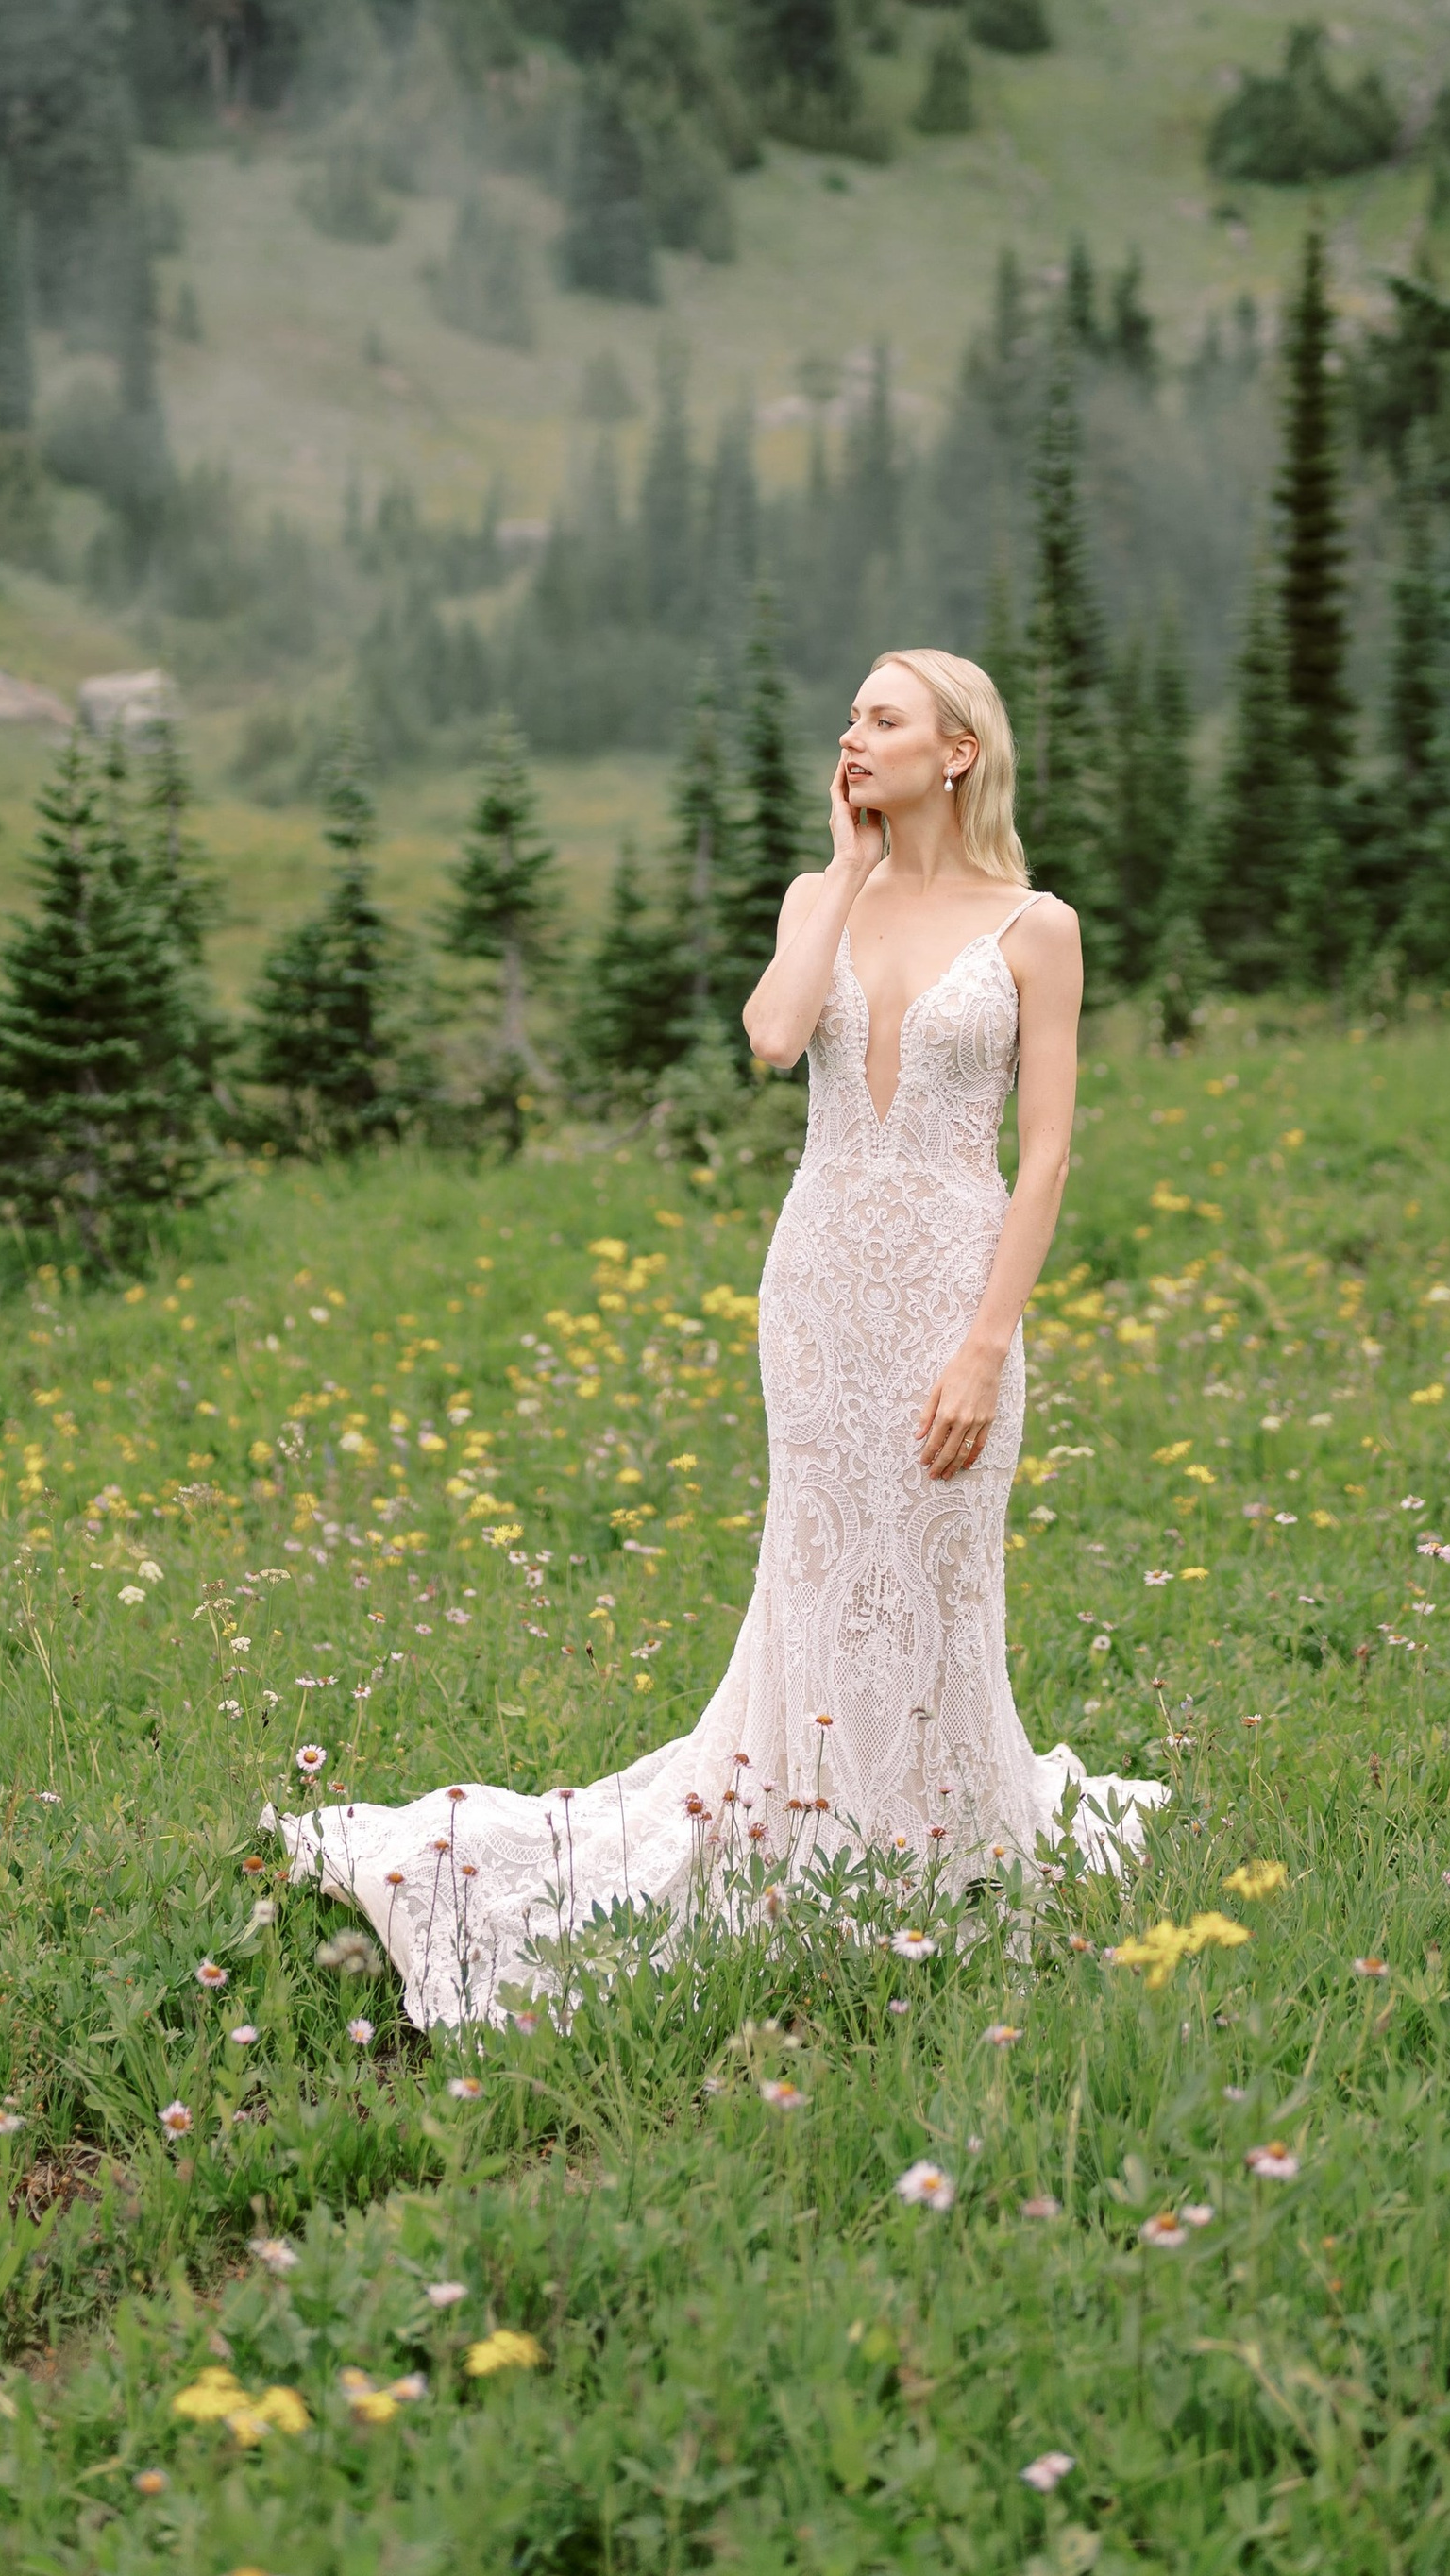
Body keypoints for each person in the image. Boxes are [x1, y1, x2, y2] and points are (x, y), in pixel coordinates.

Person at [267, 647, 1162, 2023]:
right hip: (816, 1289)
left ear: (960, 750)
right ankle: (811, 1839)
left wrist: (987, 1344)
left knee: (934, 1565)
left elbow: (1041, 1163)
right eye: (850, 717)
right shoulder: (826, 895)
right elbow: (770, 1033)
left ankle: (932, 1839)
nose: (852, 738)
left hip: (948, 1286)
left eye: (883, 718)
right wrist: (842, 871)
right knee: (816, 1565)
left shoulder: (1036, 924)